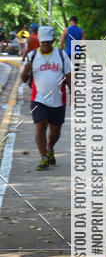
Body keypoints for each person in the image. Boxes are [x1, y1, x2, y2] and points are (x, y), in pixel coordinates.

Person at [21, 25, 71, 170]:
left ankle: (50, 148)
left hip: (58, 99)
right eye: (43, 42)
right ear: (40, 42)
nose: (45, 45)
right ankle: (43, 157)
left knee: (56, 130)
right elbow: (24, 79)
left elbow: (69, 76)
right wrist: (25, 71)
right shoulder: (32, 56)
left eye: (48, 42)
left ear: (53, 41)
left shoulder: (61, 55)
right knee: (41, 124)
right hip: (38, 98)